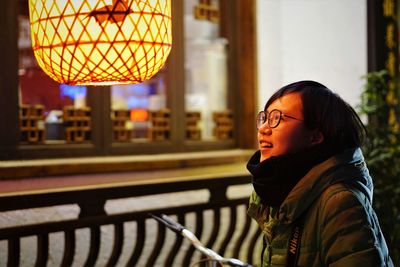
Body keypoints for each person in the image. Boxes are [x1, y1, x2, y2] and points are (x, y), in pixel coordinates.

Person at [246, 80, 394, 266]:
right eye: (265, 118)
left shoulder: (339, 202)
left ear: (315, 136)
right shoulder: (280, 190)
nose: (263, 129)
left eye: (278, 118)